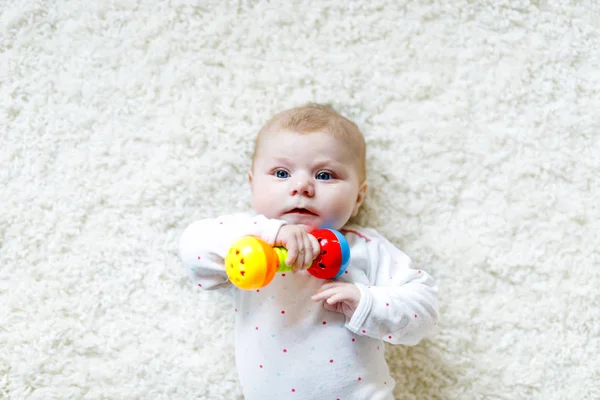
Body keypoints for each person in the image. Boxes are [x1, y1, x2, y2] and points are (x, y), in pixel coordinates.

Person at [179, 104, 439, 399]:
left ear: (358, 197)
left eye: (325, 175)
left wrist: (367, 302)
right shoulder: (245, 241)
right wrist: (271, 233)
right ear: (252, 186)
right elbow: (192, 247)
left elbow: (425, 311)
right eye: (281, 173)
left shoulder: (364, 248)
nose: (302, 186)